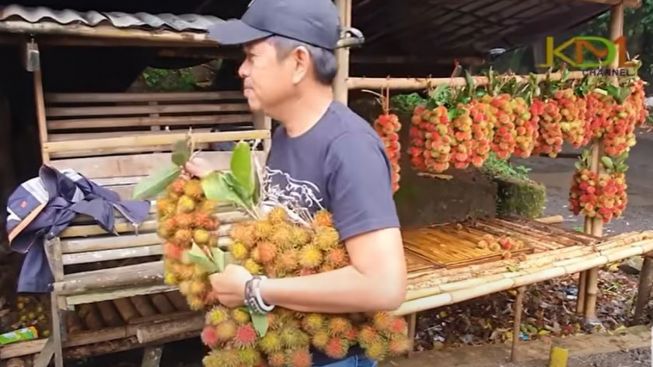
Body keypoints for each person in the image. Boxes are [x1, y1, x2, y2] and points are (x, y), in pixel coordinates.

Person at [184, 0, 407, 365]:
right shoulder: (287, 134)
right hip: (288, 348)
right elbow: (291, 212)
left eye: (252, 56)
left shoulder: (350, 147)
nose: (241, 70)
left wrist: (255, 290)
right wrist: (217, 178)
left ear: (299, 63)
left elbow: (384, 285)